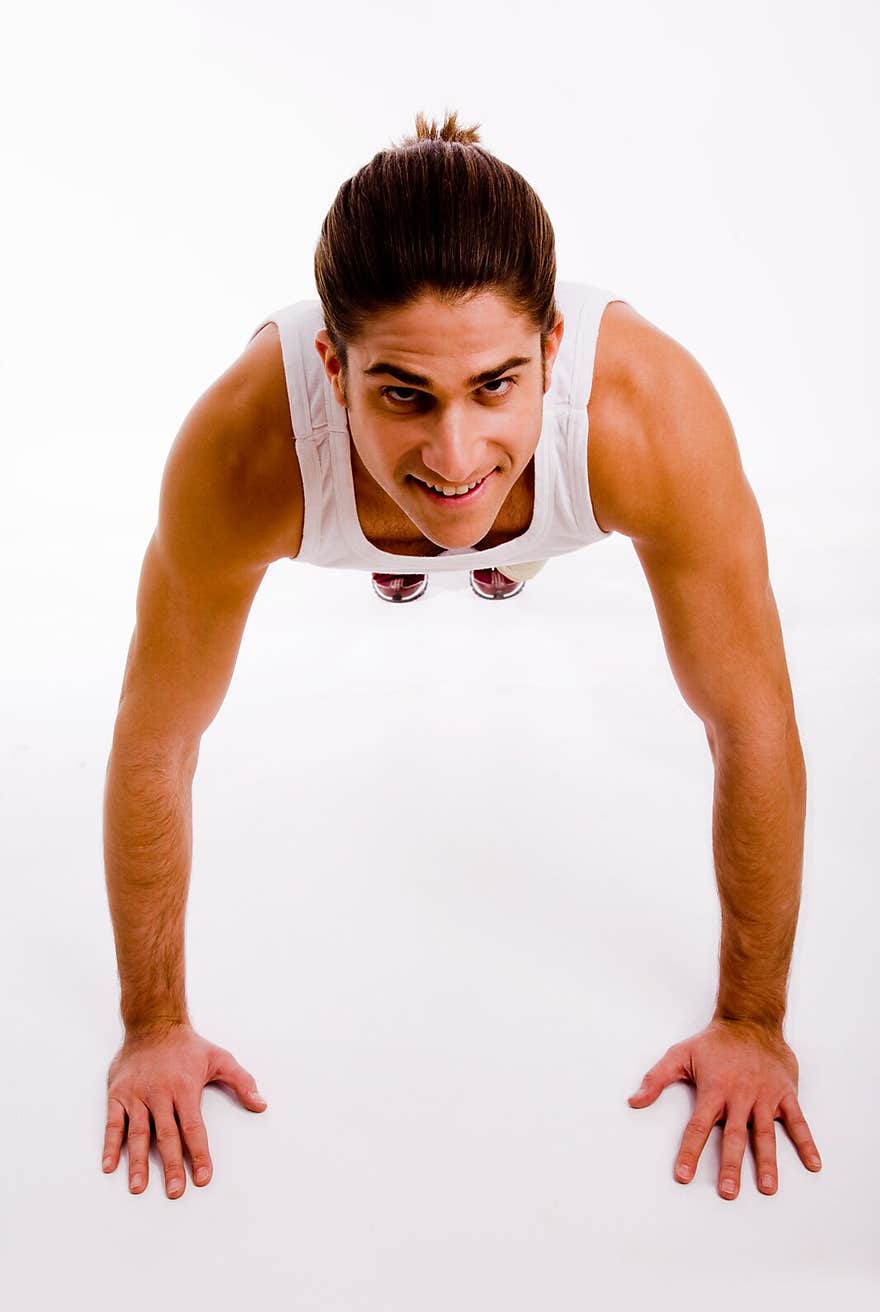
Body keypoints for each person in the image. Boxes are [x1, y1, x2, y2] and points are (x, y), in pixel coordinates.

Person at [101, 110, 821, 1205]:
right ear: (332, 366)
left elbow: (749, 723)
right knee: (447, 510)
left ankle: (487, 555)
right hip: (337, 494)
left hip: (542, 490)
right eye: (402, 395)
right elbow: (160, 740)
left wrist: (752, 1020)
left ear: (552, 352)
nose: (451, 449)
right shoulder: (242, 451)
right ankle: (427, 553)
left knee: (473, 514)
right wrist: (152, 1024)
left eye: (495, 385)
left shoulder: (649, 418)